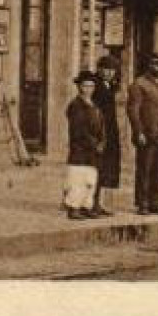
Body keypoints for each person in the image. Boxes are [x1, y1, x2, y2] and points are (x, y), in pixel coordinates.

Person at [126, 53, 158, 215]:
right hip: (147, 134)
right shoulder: (139, 84)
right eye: (156, 64)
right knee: (145, 169)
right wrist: (138, 131)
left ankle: (155, 201)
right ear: (150, 64)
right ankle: (143, 203)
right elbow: (133, 110)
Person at [63, 70, 106, 220]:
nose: (88, 89)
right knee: (78, 178)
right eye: (85, 86)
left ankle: (86, 206)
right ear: (79, 87)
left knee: (90, 179)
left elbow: (101, 125)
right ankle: (73, 207)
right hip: (80, 148)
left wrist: (102, 141)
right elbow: (79, 129)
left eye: (91, 86)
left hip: (93, 149)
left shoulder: (94, 105)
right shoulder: (76, 106)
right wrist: (94, 143)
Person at [90, 55, 123, 217]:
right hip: (99, 130)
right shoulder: (95, 86)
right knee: (95, 167)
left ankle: (98, 204)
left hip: (110, 130)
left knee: (105, 168)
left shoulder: (109, 86)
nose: (109, 73)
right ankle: (91, 204)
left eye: (112, 70)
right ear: (99, 69)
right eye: (106, 69)